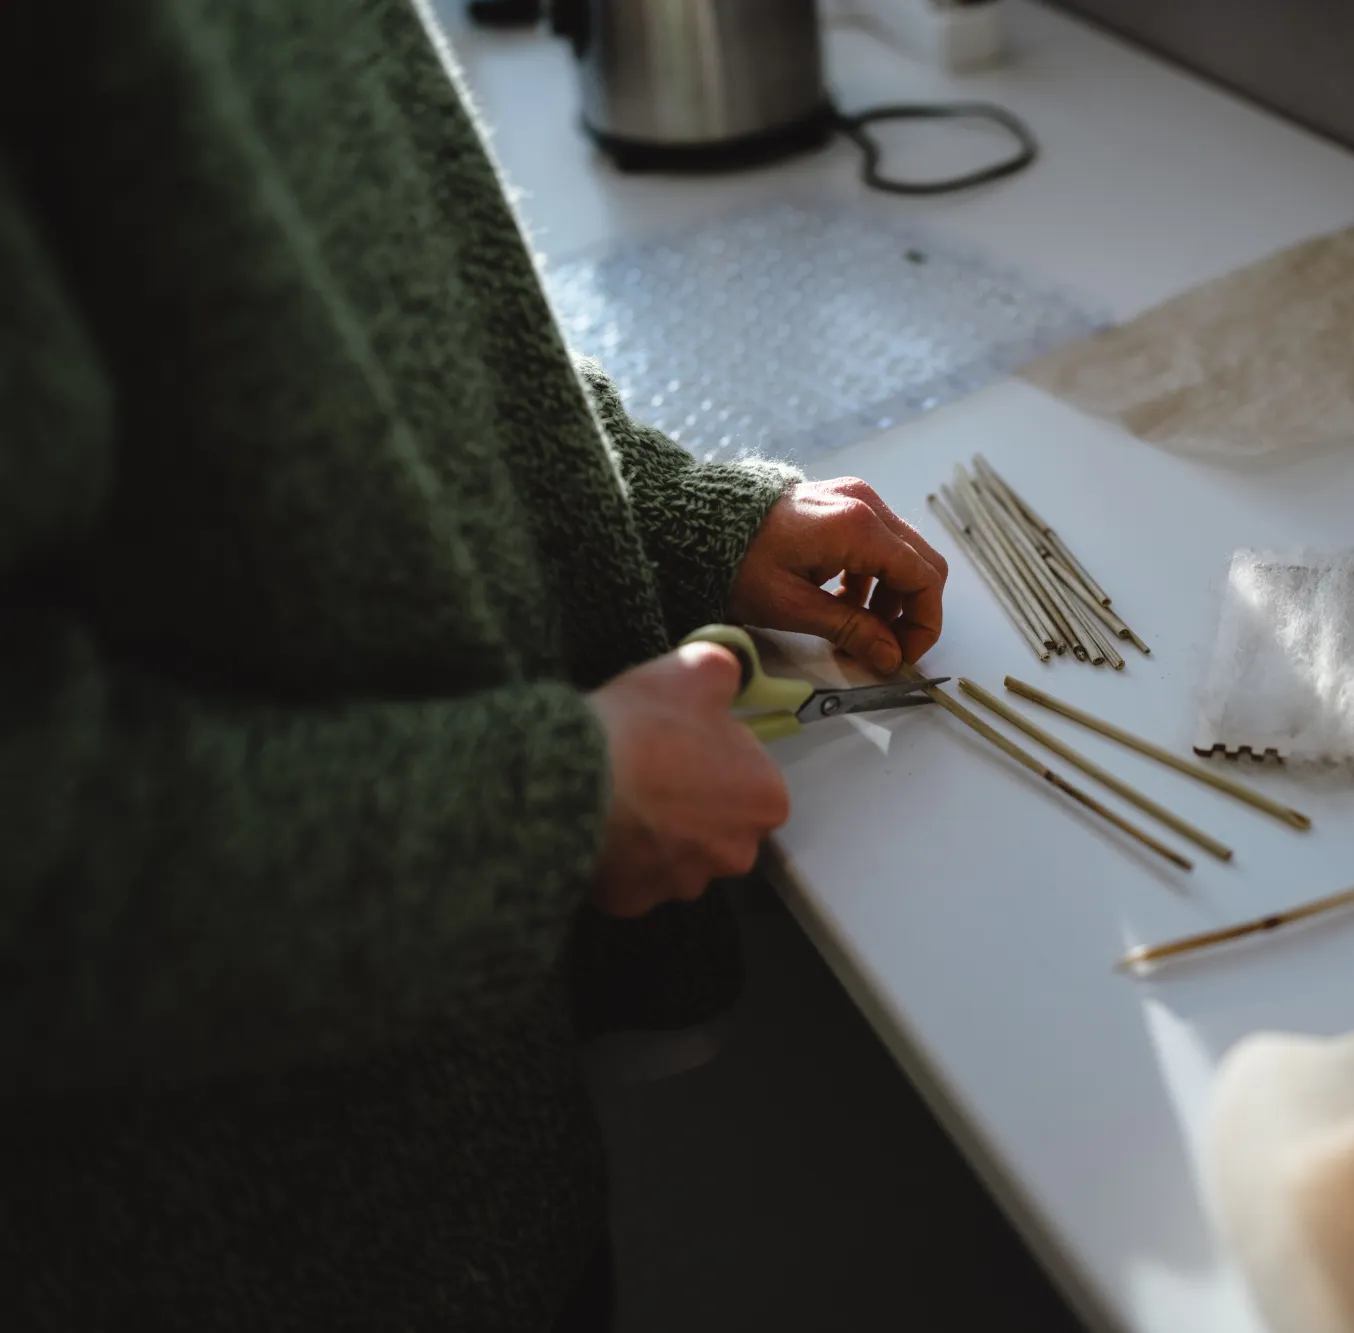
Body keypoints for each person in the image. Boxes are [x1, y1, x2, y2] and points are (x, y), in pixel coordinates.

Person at [0, 2, 946, 1328]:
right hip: (242, 1255)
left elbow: (386, 318)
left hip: (463, 1169)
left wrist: (680, 513)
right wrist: (544, 813)